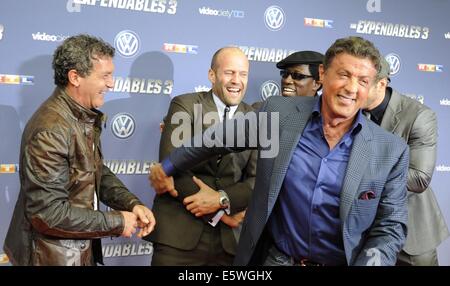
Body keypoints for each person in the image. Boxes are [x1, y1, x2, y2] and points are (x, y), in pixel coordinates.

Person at [150, 36, 409, 266]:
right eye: (343, 75)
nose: (352, 88)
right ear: (323, 74)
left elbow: (390, 228)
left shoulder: (391, 151)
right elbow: (218, 139)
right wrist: (168, 166)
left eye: (363, 81)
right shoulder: (281, 115)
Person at [3, 34, 155, 266]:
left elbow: (94, 172)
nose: (111, 84)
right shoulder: (51, 129)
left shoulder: (80, 117)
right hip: (50, 256)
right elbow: (48, 214)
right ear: (75, 77)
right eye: (105, 76)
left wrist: (131, 203)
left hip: (74, 251)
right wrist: (117, 221)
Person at [144, 47, 257, 266]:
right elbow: (171, 165)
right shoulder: (184, 105)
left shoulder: (254, 118)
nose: (236, 80)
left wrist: (222, 199)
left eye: (242, 74)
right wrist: (220, 212)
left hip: (229, 243)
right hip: (178, 235)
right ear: (212, 75)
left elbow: (256, 180)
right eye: (229, 73)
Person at [364, 57, 449, 266]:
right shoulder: (351, 111)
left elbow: (419, 179)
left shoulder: (419, 116)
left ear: (381, 83)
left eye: (362, 82)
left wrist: (361, 174)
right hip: (365, 231)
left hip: (411, 233)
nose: (352, 89)